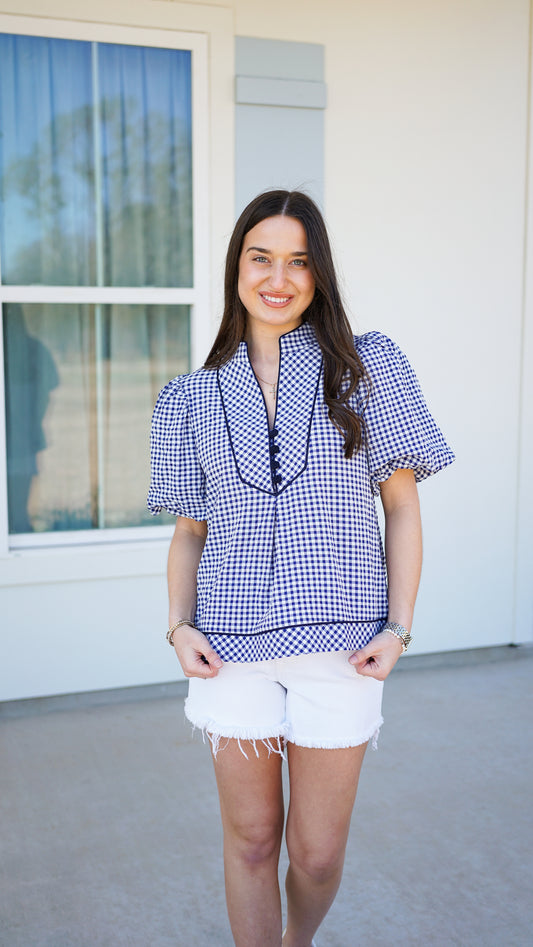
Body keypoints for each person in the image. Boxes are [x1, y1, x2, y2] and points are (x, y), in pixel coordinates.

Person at [148, 190, 454, 947]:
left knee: (315, 855)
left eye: (298, 260)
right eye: (261, 258)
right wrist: (178, 625)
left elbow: (403, 507)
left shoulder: (366, 364)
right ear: (237, 268)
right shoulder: (189, 398)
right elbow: (190, 530)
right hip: (229, 654)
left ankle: (297, 939)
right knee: (251, 843)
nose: (277, 278)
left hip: (343, 649)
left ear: (318, 275)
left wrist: (399, 625)